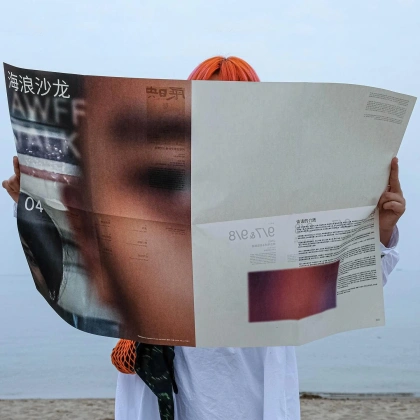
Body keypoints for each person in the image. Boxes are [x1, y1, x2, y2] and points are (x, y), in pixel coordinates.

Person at [3, 56, 405, 420]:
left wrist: (381, 228)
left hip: (250, 394)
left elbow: (332, 287)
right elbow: (90, 255)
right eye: (210, 104)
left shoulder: (281, 195)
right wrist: (36, 203)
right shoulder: (154, 187)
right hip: (169, 389)